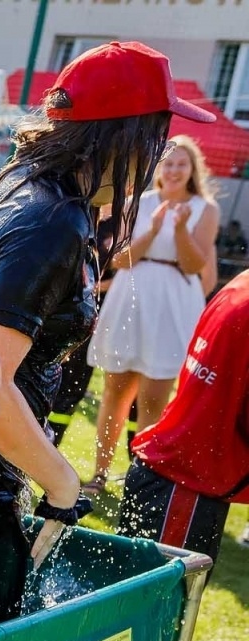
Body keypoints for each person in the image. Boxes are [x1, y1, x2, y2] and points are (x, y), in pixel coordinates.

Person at [0, 41, 193, 641]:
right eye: (159, 135)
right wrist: (61, 479)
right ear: (126, 136)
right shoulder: (52, 222)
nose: (161, 153)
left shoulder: (12, 186)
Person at [84, 135, 220, 492]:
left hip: (175, 301)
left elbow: (194, 266)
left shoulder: (206, 210)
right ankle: (99, 474)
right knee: (114, 392)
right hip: (133, 296)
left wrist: (177, 230)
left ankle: (139, 481)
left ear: (193, 170)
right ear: (160, 168)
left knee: (154, 400)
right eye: (169, 163)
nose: (174, 170)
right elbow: (119, 259)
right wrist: (156, 229)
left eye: (182, 164)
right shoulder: (137, 202)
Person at [115, 271, 249, 560]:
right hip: (184, 485)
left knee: (140, 597)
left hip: (176, 476)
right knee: (157, 602)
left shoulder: (242, 285)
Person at [45, 203, 121, 446]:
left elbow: (125, 270)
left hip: (93, 314)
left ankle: (52, 443)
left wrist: (90, 288)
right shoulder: (76, 211)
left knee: (72, 387)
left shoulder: (122, 221)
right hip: (60, 308)